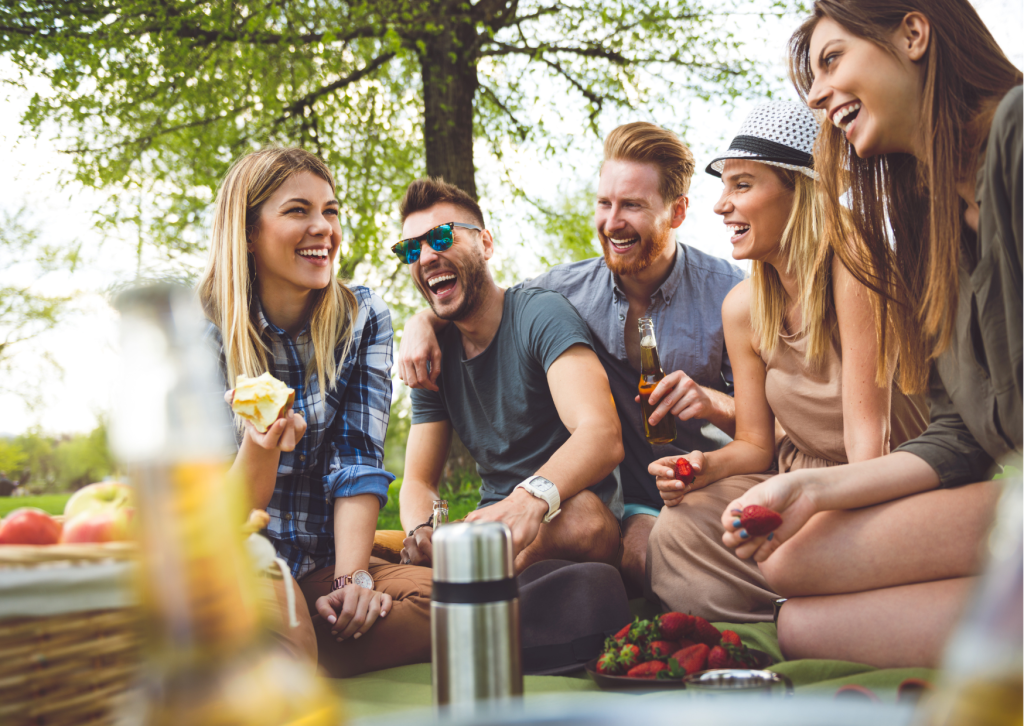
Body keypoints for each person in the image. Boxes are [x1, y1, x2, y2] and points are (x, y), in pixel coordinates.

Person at [720, 0, 1021, 668]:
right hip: (1007, 497)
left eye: (833, 60)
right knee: (798, 603)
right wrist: (812, 491)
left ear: (913, 34)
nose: (819, 93)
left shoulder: (1018, 133)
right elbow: (959, 436)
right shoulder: (931, 222)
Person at [399, 124, 744, 593]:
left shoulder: (731, 294)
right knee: (640, 560)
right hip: (640, 498)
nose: (613, 221)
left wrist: (712, 403)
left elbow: (775, 426)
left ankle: (465, 592)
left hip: (716, 476)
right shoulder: (564, 290)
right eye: (605, 204)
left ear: (678, 211)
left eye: (633, 206)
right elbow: (485, 301)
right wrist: (422, 322)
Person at [646, 101, 926, 622]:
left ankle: (821, 609)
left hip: (882, 485)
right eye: (724, 186)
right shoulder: (743, 307)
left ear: (802, 192)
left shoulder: (858, 266)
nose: (721, 205)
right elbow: (754, 445)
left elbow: (870, 447)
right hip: (793, 476)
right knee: (677, 529)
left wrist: (808, 512)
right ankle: (798, 612)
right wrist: (701, 470)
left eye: (743, 185)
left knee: (790, 551)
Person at [198, 147, 431, 677]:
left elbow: (356, 460)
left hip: (326, 560)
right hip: (240, 557)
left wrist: (353, 583)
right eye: (297, 211)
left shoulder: (363, 316)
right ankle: (282, 639)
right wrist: (260, 446)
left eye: (330, 211)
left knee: (465, 607)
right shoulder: (202, 331)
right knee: (288, 649)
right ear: (249, 232)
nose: (322, 227)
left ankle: (296, 636)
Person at [395, 178, 625, 574]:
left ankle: (473, 582)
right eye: (412, 248)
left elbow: (602, 435)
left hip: (566, 511)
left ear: (485, 244)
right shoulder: (431, 353)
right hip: (488, 528)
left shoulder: (539, 314)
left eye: (442, 237)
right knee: (370, 553)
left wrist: (527, 501)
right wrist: (422, 529)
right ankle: (467, 578)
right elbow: (417, 481)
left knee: (583, 517)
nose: (427, 256)